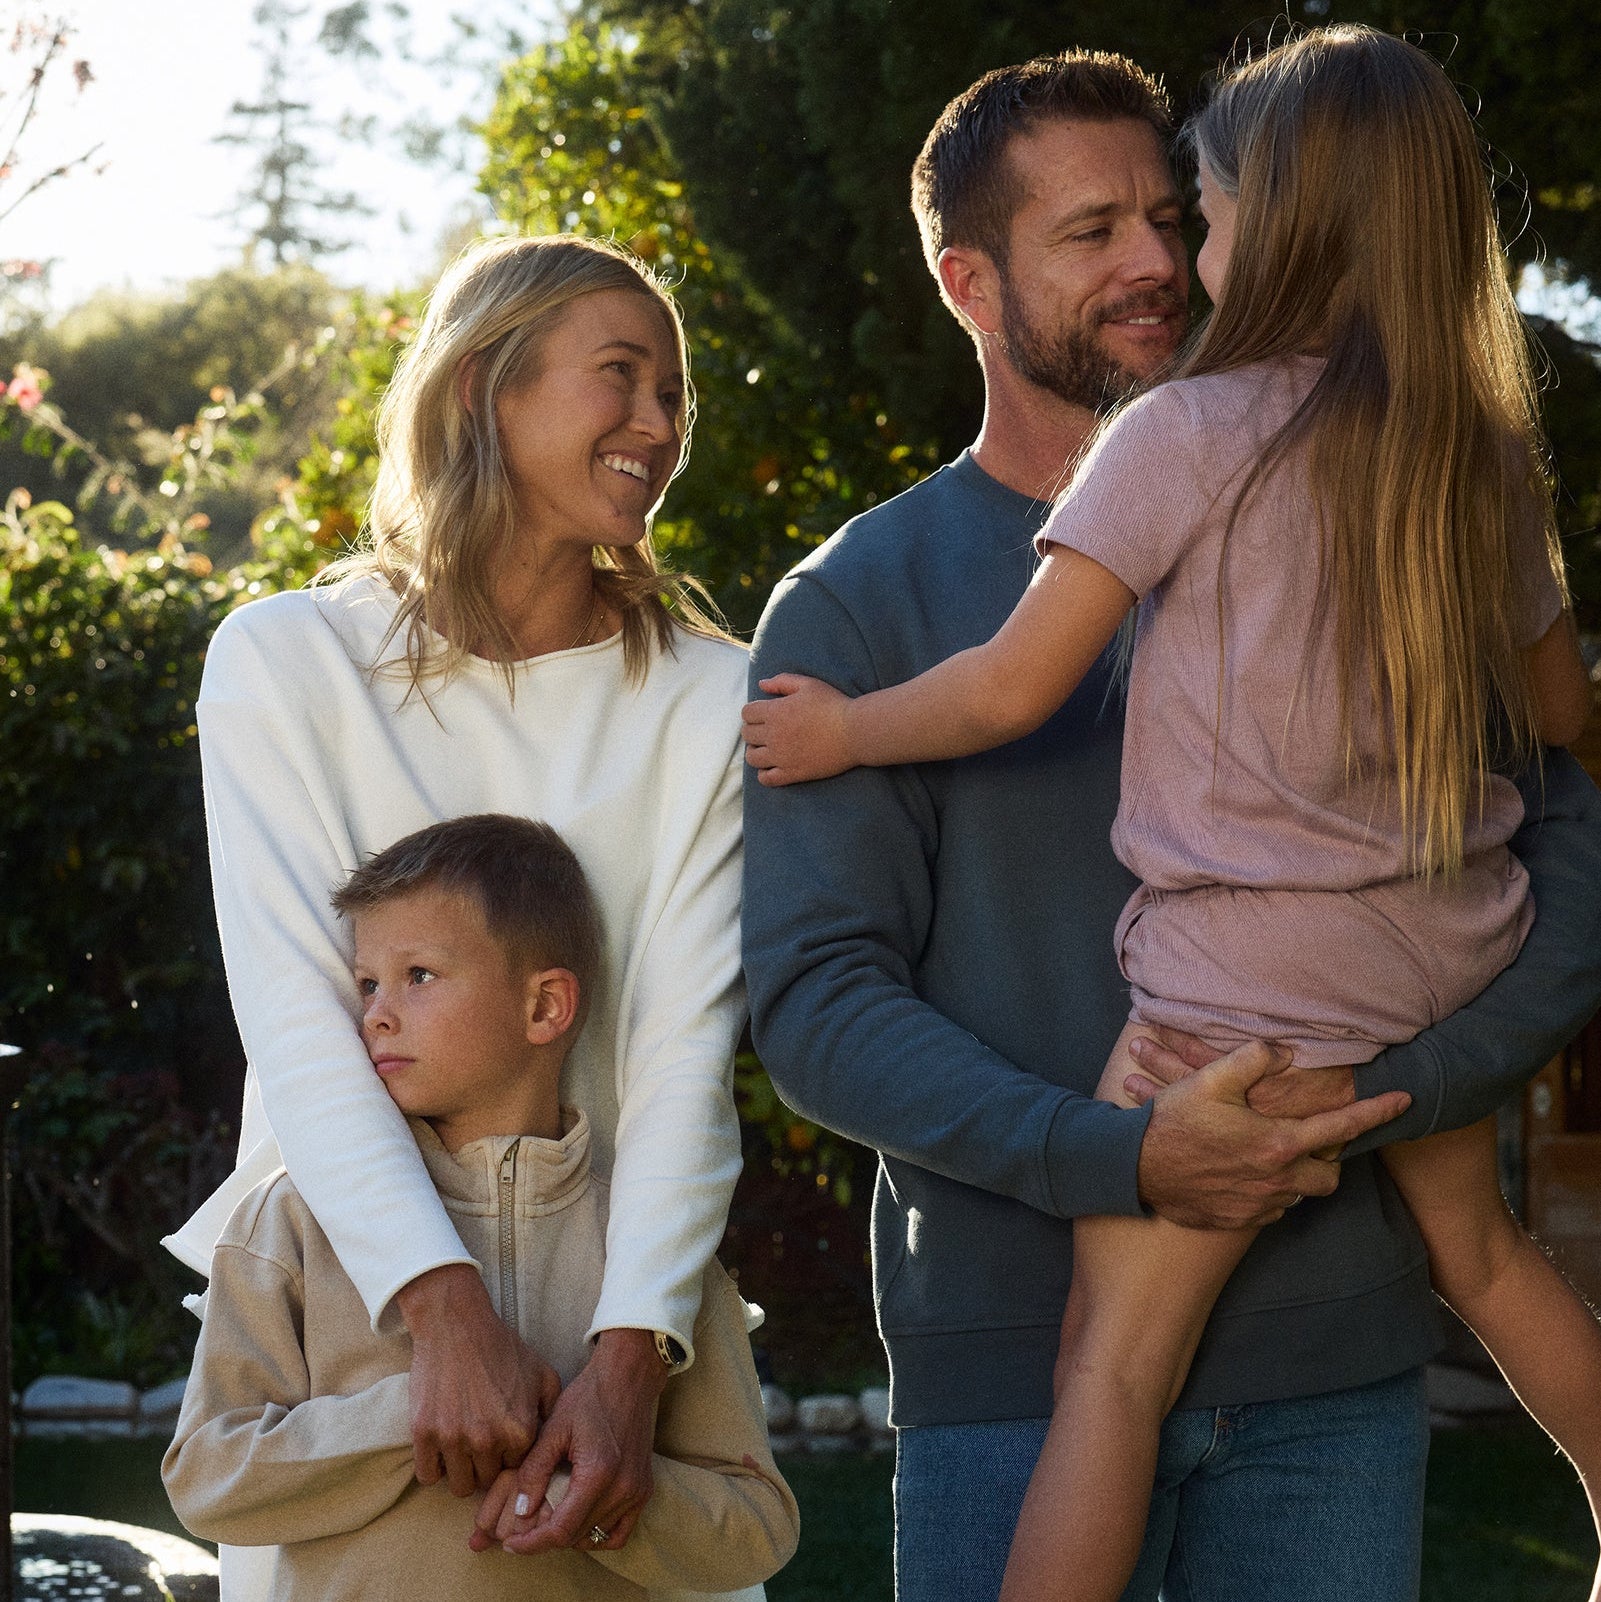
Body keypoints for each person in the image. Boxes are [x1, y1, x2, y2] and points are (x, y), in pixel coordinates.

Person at [746, 27, 1601, 1602]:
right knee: (1484, 1262)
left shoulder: (1272, 462)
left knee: (1118, 1374)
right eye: (1095, 233)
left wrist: (1396, 1084)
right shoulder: (858, 601)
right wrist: (1115, 1154)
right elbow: (815, 1008)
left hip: (1335, 1358)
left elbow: (1559, 809)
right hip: (1000, 1351)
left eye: (1173, 212)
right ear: (970, 285)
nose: (1159, 259)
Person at [162, 234, 755, 1601]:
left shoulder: (709, 698)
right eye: (623, 377)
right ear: (485, 387)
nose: (659, 425)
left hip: (612, 1307)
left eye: (675, 395)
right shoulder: (283, 663)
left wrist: (627, 1356)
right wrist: (439, 1309)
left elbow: (681, 1054)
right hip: (348, 1321)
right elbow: (302, 1025)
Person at [163, 814, 799, 1600]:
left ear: (543, 1008)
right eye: (367, 983)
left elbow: (757, 1524)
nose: (376, 1013)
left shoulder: (650, 1250)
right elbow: (204, 1475)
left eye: (418, 975)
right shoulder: (291, 1223)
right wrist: (409, 1414)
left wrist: (586, 1496)